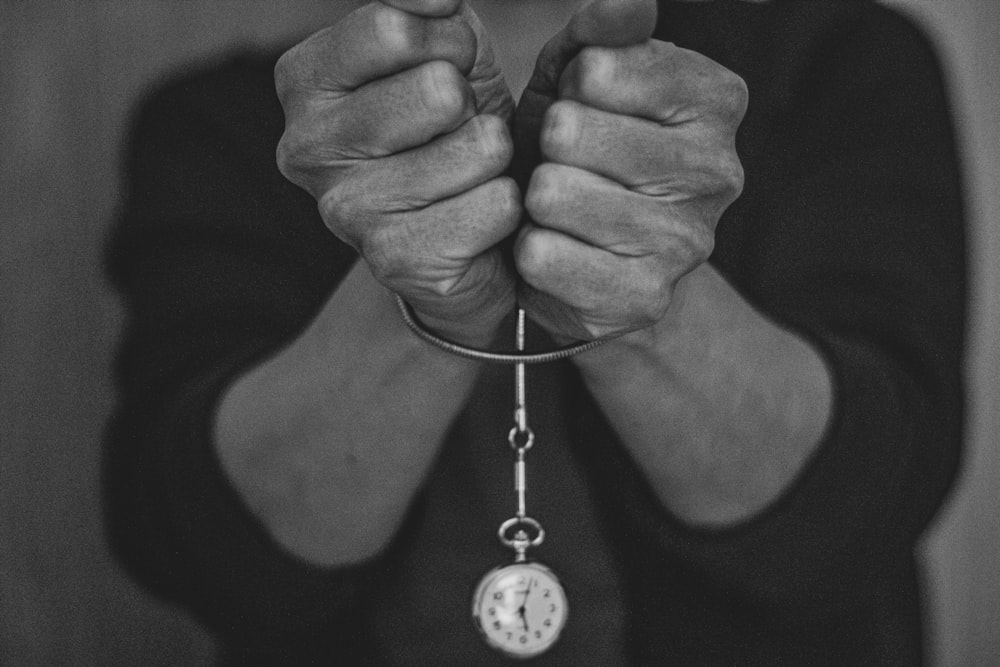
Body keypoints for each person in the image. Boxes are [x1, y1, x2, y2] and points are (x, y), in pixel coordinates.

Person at [105, 0, 966, 663]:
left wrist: (636, 292)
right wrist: (422, 293)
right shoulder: (215, 126)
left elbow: (871, 496)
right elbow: (193, 541)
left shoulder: (841, 60)